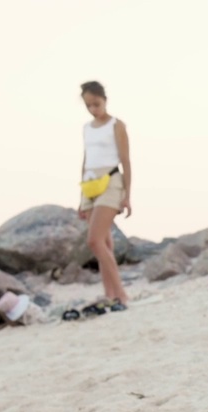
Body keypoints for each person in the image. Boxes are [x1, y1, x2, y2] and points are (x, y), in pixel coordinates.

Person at [78, 80, 131, 310]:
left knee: (94, 240)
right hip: (89, 183)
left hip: (111, 180)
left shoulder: (116, 125)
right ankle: (109, 293)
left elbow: (126, 160)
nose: (93, 109)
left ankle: (121, 294)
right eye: (88, 105)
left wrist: (127, 195)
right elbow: (86, 158)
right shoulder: (87, 128)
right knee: (104, 242)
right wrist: (80, 195)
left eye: (96, 104)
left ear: (105, 100)